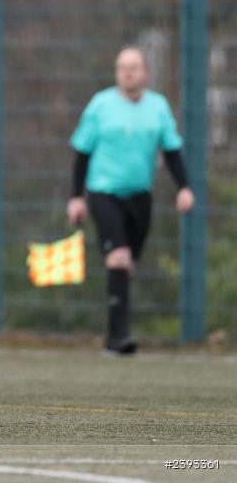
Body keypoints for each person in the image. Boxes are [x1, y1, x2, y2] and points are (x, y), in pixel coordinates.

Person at [67, 46, 194, 355]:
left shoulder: (158, 107)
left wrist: (184, 187)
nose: (127, 72)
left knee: (127, 265)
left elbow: (172, 151)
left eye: (134, 67)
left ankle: (113, 338)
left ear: (146, 73)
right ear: (116, 72)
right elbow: (82, 154)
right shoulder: (101, 105)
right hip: (103, 193)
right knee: (118, 257)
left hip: (140, 196)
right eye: (122, 67)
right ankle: (121, 337)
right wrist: (76, 197)